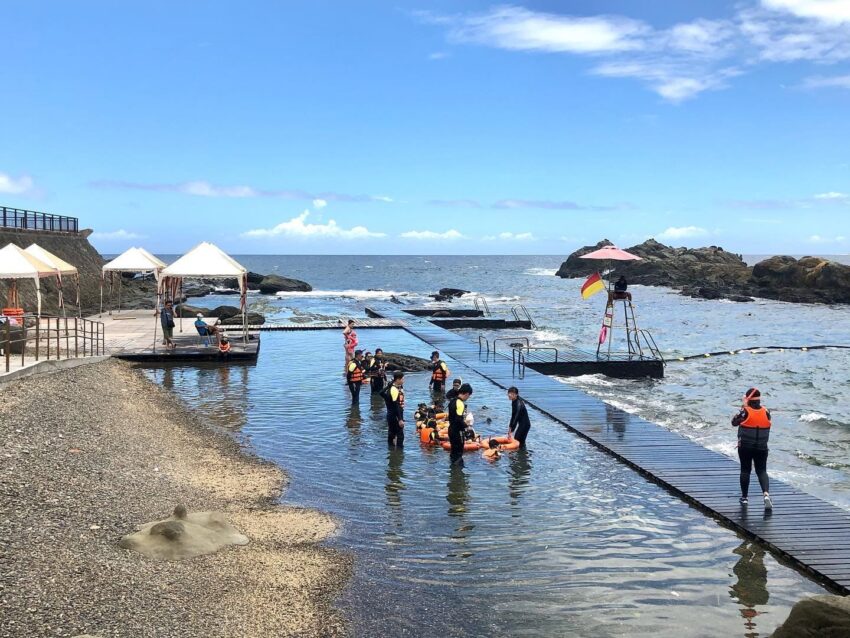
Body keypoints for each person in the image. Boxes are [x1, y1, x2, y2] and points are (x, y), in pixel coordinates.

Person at [732, 387, 772, 510]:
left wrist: (743, 407)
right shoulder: (766, 411)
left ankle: (744, 498)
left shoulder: (745, 411)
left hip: (745, 446)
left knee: (745, 470)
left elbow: (734, 422)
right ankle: (766, 494)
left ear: (748, 399)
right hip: (762, 447)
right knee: (762, 471)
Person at [448, 383, 473, 467]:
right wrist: (466, 427)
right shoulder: (460, 403)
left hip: (451, 429)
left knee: (453, 451)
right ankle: (458, 475)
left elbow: (452, 417)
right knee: (459, 452)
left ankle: (453, 472)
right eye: (468, 396)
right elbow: (458, 419)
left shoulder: (452, 401)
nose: (468, 398)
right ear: (466, 394)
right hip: (457, 431)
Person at [383, 371, 405, 447]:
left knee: (391, 433)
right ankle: (399, 453)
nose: (403, 380)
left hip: (390, 414)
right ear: (398, 380)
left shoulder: (391, 388)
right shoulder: (394, 390)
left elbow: (381, 393)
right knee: (400, 435)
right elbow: (396, 405)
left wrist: (387, 386)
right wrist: (400, 419)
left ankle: (391, 451)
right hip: (395, 414)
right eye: (402, 379)